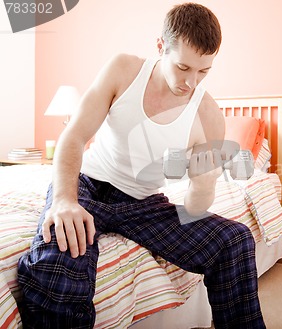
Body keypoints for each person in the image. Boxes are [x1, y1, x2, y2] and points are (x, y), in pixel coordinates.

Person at [17, 3, 266, 328]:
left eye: (203, 71)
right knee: (59, 267)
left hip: (144, 204)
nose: (191, 82)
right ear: (161, 46)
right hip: (88, 185)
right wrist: (64, 199)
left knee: (235, 240)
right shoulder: (124, 70)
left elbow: (193, 208)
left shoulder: (209, 117)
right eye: (183, 67)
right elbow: (74, 136)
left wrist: (204, 183)